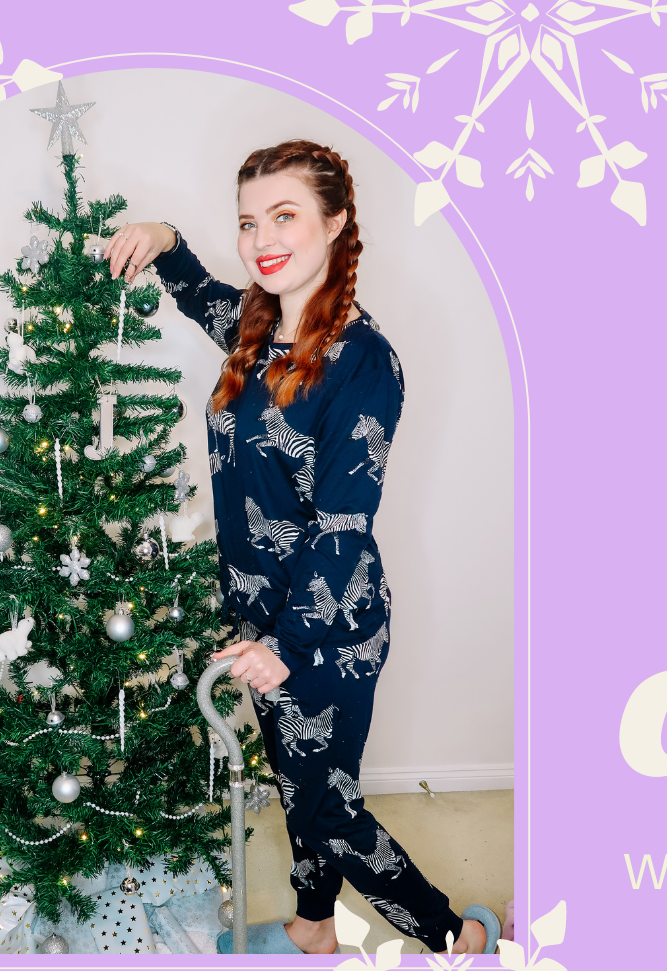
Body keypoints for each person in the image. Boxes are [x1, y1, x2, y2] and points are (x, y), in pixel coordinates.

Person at [102, 140, 500, 957]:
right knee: (298, 785)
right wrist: (166, 239)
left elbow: (343, 525)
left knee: (325, 807)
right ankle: (313, 926)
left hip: (327, 629)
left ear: (336, 223)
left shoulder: (364, 364)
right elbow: (197, 291)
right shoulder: (256, 324)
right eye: (249, 221)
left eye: (285, 216)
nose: (261, 239)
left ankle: (457, 936)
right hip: (260, 624)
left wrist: (286, 643)